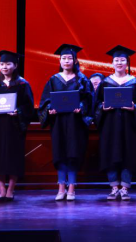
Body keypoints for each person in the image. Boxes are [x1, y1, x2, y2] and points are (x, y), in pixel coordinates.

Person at [37, 44, 93, 201]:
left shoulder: (83, 80)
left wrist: (81, 107)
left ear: (75, 60)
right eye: (64, 58)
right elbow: (45, 100)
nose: (67, 61)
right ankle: (61, 187)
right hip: (59, 122)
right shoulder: (53, 80)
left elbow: (89, 100)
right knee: (60, 153)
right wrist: (50, 109)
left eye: (70, 58)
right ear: (60, 61)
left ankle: (72, 188)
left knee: (73, 153)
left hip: (76, 123)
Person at [94, 45, 136, 201]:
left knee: (128, 154)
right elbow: (95, 104)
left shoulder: (134, 82)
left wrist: (134, 108)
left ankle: (124, 188)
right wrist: (102, 108)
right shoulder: (105, 82)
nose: (119, 63)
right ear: (112, 63)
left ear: (127, 63)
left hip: (129, 125)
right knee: (110, 153)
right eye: (116, 60)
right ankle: (113, 187)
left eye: (122, 60)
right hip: (110, 125)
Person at [0, 50, 35, 203]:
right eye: (2, 64)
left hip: (14, 126)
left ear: (15, 66)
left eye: (8, 64)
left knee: (13, 157)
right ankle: (2, 190)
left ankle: (11, 189)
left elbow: (29, 106)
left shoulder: (22, 84)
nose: (4, 67)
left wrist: (18, 112)